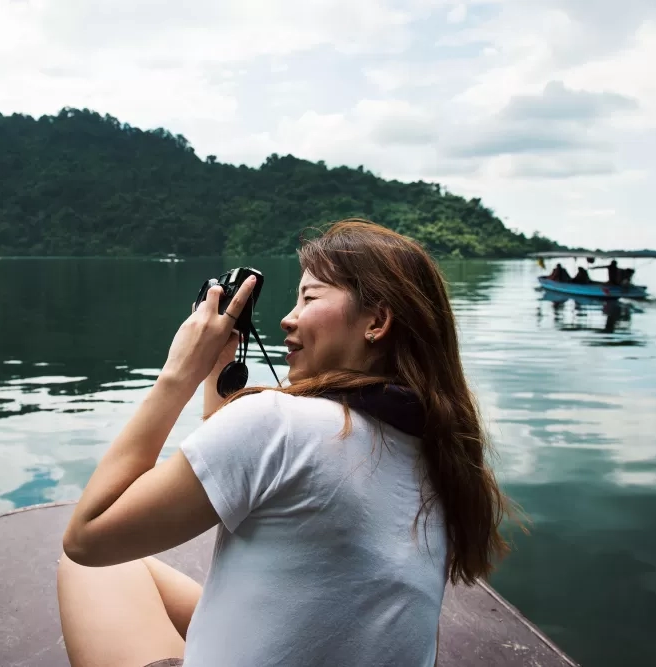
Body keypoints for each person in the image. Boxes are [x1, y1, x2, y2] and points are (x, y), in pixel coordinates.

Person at [57, 219, 514, 667]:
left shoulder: (279, 424)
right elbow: (236, 473)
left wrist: (179, 374)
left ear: (376, 320)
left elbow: (87, 539)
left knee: (83, 569)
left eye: (309, 298)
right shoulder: (441, 452)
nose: (287, 318)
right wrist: (218, 366)